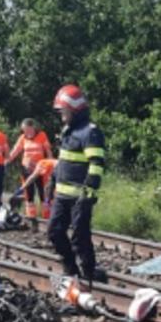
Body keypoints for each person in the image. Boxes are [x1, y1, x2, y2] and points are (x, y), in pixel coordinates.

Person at [48, 83, 107, 286]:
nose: (61, 115)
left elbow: (97, 164)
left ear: (74, 109)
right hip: (62, 196)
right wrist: (52, 180)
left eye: (63, 111)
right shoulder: (68, 131)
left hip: (80, 196)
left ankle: (89, 274)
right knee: (54, 231)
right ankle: (71, 270)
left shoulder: (90, 132)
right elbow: (63, 160)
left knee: (80, 237)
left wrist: (88, 192)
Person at [7, 117, 53, 228]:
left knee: (44, 194)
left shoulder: (42, 135)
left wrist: (51, 164)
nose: (26, 132)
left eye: (27, 129)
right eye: (24, 130)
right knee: (29, 194)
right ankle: (31, 219)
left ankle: (47, 218)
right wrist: (6, 161)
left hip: (41, 169)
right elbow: (15, 151)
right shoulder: (22, 138)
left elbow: (48, 151)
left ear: (33, 127)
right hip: (26, 169)